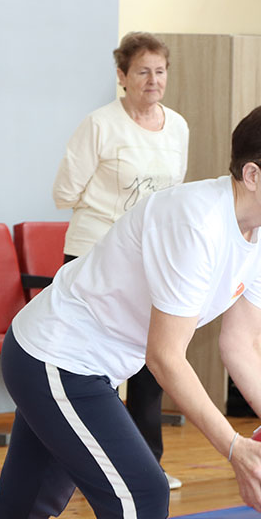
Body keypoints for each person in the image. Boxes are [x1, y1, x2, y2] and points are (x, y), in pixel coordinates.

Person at [0, 103, 261, 519]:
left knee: (21, 507)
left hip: (86, 365)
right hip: (56, 357)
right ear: (253, 174)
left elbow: (242, 346)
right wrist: (234, 448)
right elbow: (165, 356)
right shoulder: (196, 222)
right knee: (141, 496)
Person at [52, 32, 190, 490]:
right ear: (122, 76)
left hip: (149, 259)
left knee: (153, 360)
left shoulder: (178, 127)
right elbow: (64, 193)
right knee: (96, 362)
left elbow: (171, 198)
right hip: (95, 255)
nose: (152, 80)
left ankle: (147, 464)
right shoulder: (100, 124)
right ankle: (94, 466)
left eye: (160, 71)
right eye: (142, 71)